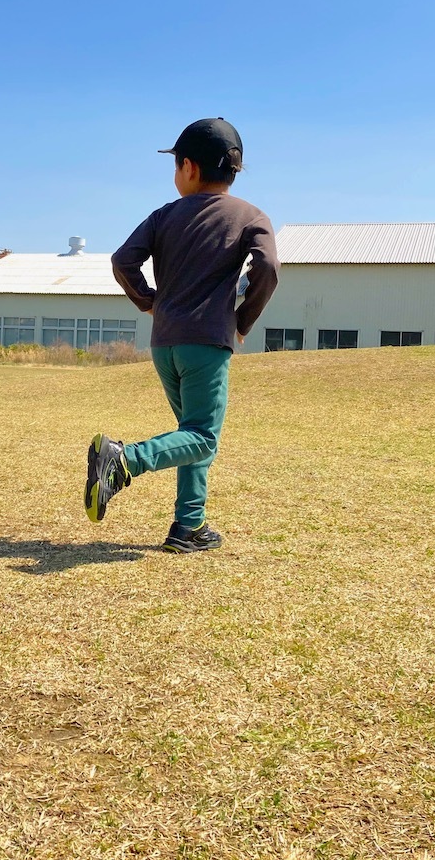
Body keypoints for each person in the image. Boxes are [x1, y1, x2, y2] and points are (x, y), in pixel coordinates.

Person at [86, 118, 279, 553]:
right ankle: (123, 460)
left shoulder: (162, 216)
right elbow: (267, 269)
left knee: (190, 433)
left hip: (164, 342)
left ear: (189, 167)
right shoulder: (252, 216)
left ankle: (189, 526)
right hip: (207, 343)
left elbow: (122, 261)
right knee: (202, 435)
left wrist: (149, 301)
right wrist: (242, 320)